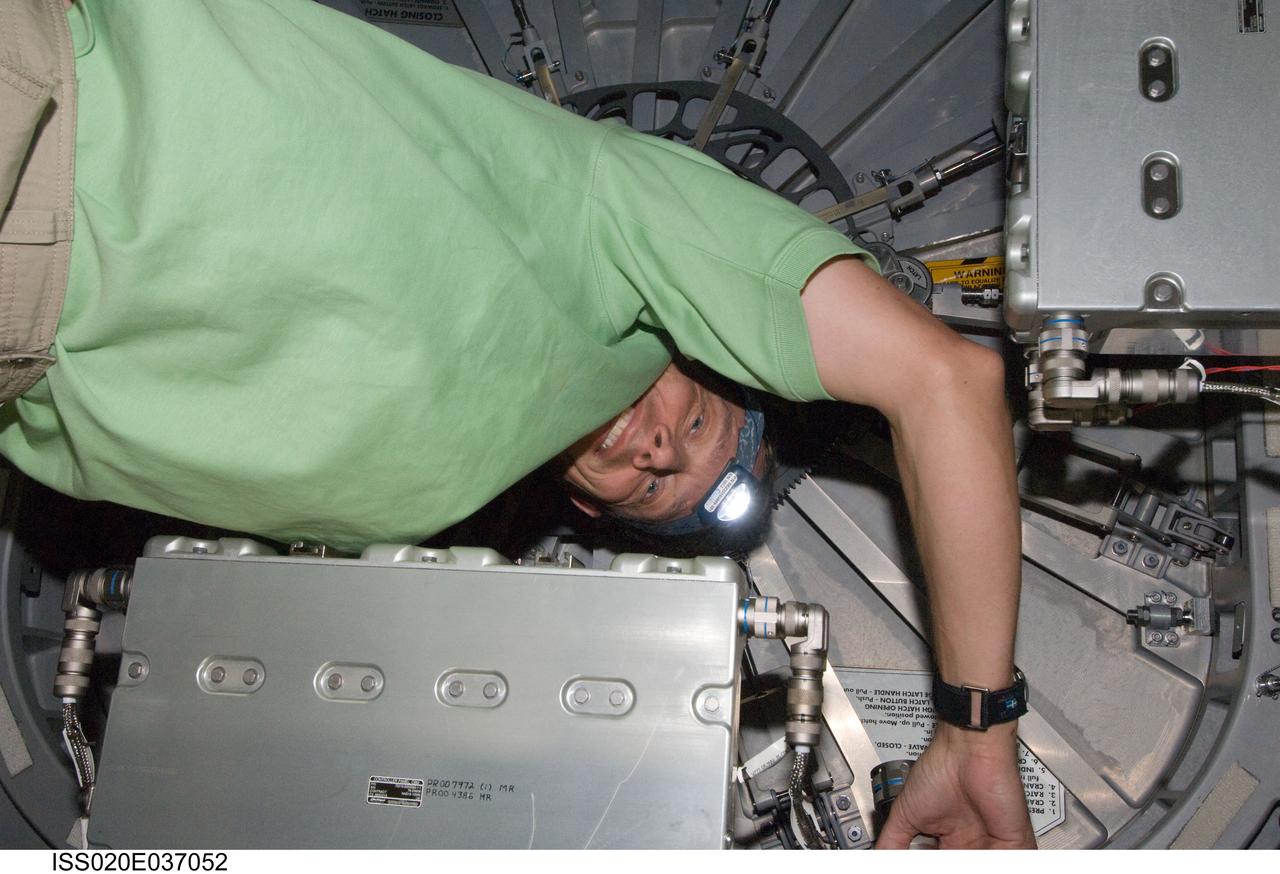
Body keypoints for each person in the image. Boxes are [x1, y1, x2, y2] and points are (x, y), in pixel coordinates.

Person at [0, 0, 1034, 848]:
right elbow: (944, 379)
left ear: (589, 501)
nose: (660, 449)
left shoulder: (422, 504)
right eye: (700, 415)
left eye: (658, 487)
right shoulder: (620, 226)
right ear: (700, 343)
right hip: (60, 127)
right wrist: (974, 729)